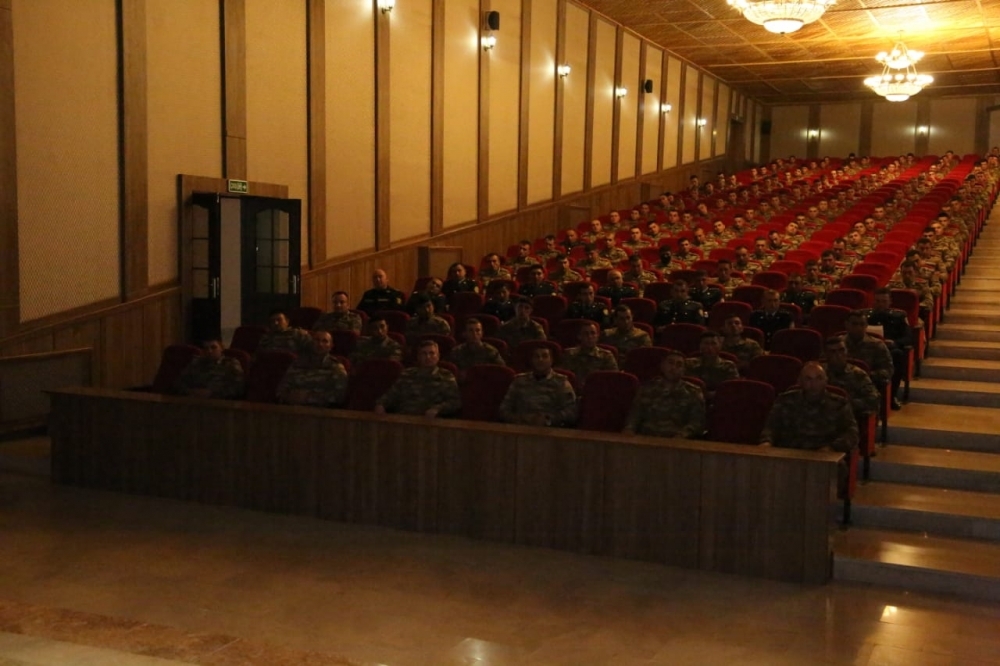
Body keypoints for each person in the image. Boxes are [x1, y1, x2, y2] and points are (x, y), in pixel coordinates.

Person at [760, 362, 859, 457]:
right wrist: (766, 442)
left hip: (826, 457)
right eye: (808, 379)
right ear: (800, 381)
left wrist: (832, 448)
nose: (814, 384)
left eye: (819, 378)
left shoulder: (839, 404)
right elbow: (770, 427)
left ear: (826, 380)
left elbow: (852, 433)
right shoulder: (785, 401)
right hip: (789, 455)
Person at [623, 350, 705, 438]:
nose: (673, 367)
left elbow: (697, 422)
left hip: (677, 441)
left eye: (679, 365)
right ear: (662, 366)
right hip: (646, 438)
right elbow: (635, 415)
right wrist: (629, 429)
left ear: (684, 370)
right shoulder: (647, 388)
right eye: (670, 363)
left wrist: (683, 434)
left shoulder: (693, 392)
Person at [374, 340, 460, 417]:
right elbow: (392, 394)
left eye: (432, 353)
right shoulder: (407, 374)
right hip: (404, 419)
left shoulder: (446, 376)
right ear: (418, 357)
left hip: (430, 422)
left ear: (438, 356)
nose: (428, 357)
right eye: (424, 354)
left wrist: (437, 408)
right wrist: (381, 404)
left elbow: (455, 401)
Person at [498, 347, 577, 427]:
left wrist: (549, 419)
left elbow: (571, 412)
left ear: (551, 360)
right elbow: (504, 409)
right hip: (521, 427)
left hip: (551, 429)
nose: (540, 359)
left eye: (544, 356)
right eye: (536, 356)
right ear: (531, 360)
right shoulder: (519, 381)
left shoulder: (562, 382)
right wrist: (522, 419)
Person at [866, 288, 912, 410]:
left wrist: (895, 342)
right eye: (877, 301)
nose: (880, 304)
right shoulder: (865, 316)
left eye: (884, 301)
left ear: (890, 302)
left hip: (890, 350)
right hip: (868, 350)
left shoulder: (899, 316)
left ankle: (891, 396)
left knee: (897, 355)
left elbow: (908, 337)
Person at [276, 331, 348, 407]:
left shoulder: (336, 367)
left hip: (321, 410)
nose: (320, 344)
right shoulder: (298, 364)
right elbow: (281, 390)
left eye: (325, 341)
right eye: (317, 340)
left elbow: (340, 395)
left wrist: (309, 397)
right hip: (293, 408)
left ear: (331, 346)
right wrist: (290, 397)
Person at [842, 309, 896, 406]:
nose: (858, 328)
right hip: (841, 385)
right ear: (847, 325)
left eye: (862, 324)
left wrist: (866, 375)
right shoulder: (838, 344)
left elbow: (888, 370)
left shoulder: (877, 345)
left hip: (866, 388)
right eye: (854, 324)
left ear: (866, 326)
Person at [822, 337, 879, 417]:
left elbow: (873, 399)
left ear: (847, 352)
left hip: (849, 416)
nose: (838, 355)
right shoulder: (818, 373)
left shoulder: (858, 374)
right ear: (826, 354)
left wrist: (846, 404)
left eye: (842, 350)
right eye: (833, 352)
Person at [176, 337, 244, 399]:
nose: (209, 351)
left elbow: (238, 388)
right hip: (195, 401)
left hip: (221, 402)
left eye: (213, 347)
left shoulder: (231, 364)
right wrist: (190, 392)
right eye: (206, 348)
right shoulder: (196, 363)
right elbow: (179, 383)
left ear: (221, 348)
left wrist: (212, 393)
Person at [558, 320, 618, 387]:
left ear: (597, 336)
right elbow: (563, 378)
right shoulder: (569, 354)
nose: (590, 337)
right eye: (586, 334)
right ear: (579, 336)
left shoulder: (606, 356)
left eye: (593, 333)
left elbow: (613, 380)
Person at [684, 331, 738, 399]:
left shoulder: (729, 366)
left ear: (720, 346)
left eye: (713, 343)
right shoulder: (689, 363)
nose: (710, 347)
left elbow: (732, 388)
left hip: (721, 399)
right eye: (706, 343)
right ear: (700, 346)